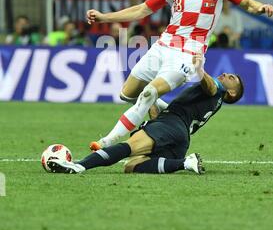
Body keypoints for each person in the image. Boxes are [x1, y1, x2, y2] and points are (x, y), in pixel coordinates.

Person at [86, 0, 273, 151]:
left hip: (188, 53)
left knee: (150, 92)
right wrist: (105, 17)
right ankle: (170, 113)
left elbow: (246, 2)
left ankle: (106, 142)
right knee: (127, 94)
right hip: (163, 45)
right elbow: (141, 10)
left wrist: (260, 7)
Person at [47, 54, 244, 175]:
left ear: (232, 93)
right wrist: (150, 102)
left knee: (127, 147)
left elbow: (210, 86)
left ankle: (79, 166)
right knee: (131, 166)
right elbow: (161, 112)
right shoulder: (214, 103)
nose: (226, 75)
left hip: (171, 125)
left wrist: (199, 69)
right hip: (181, 138)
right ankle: (184, 163)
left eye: (231, 77)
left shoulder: (216, 90)